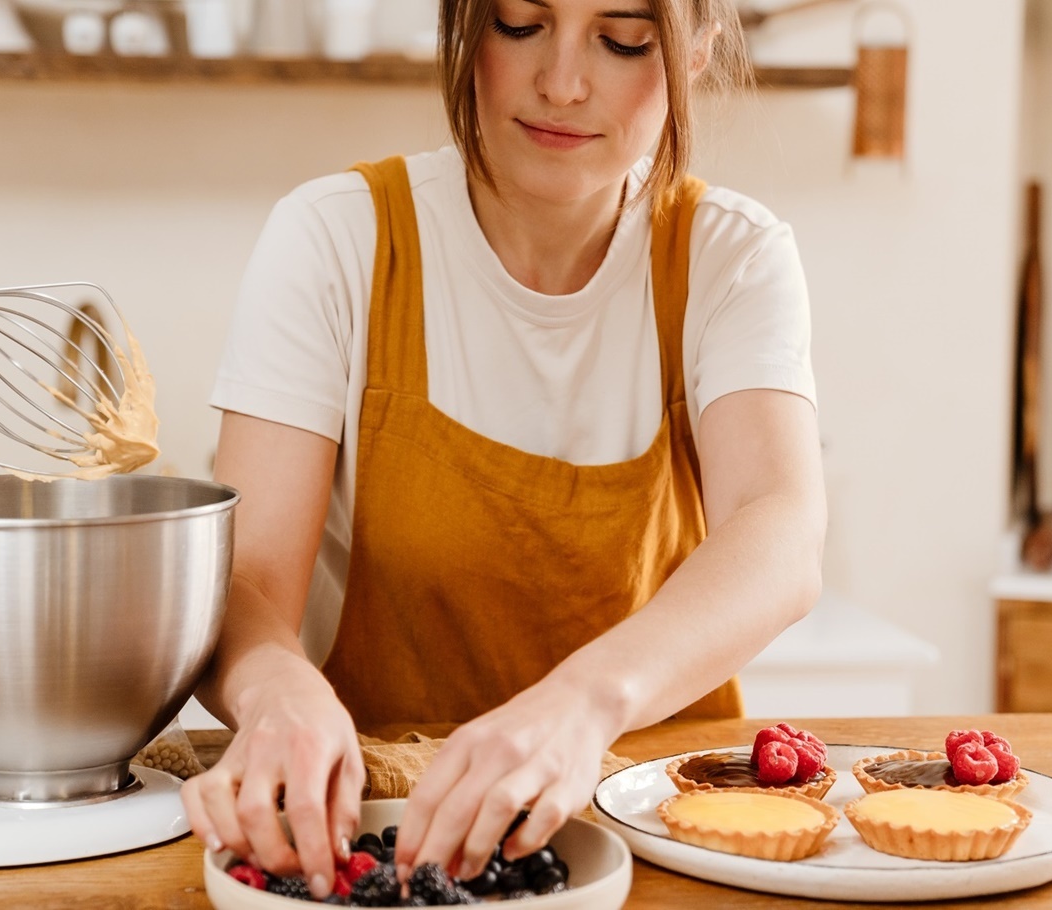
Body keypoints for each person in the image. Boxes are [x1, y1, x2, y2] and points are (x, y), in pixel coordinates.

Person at [184, 0, 826, 900]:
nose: (562, 82)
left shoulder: (730, 257)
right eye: (521, 23)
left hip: (651, 839)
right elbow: (244, 584)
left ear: (696, 48)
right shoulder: (336, 239)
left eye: (623, 39)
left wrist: (579, 708)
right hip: (375, 835)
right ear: (463, 26)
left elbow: (780, 532)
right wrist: (274, 694)